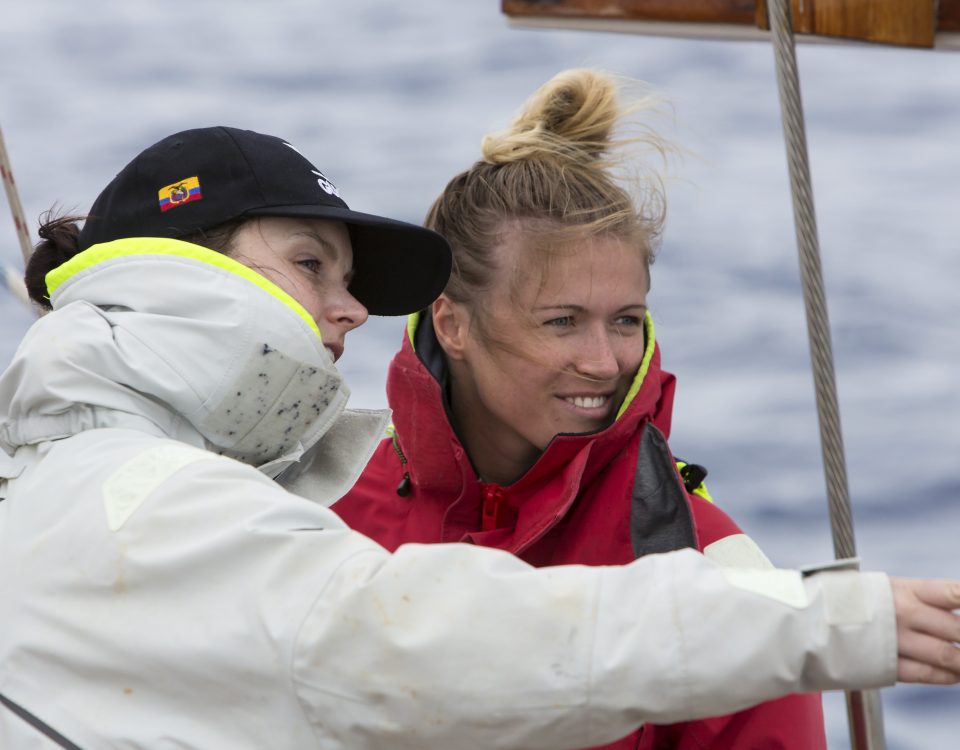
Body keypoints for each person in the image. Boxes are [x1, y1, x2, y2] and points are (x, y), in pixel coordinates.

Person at [0, 125, 956, 750]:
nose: (349, 311)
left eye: (627, 320)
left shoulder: (699, 551)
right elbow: (415, 639)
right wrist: (827, 622)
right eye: (310, 265)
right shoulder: (207, 507)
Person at [330, 69, 960, 749]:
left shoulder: (712, 568)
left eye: (626, 320)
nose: (605, 362)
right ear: (452, 326)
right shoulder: (324, 506)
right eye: (563, 321)